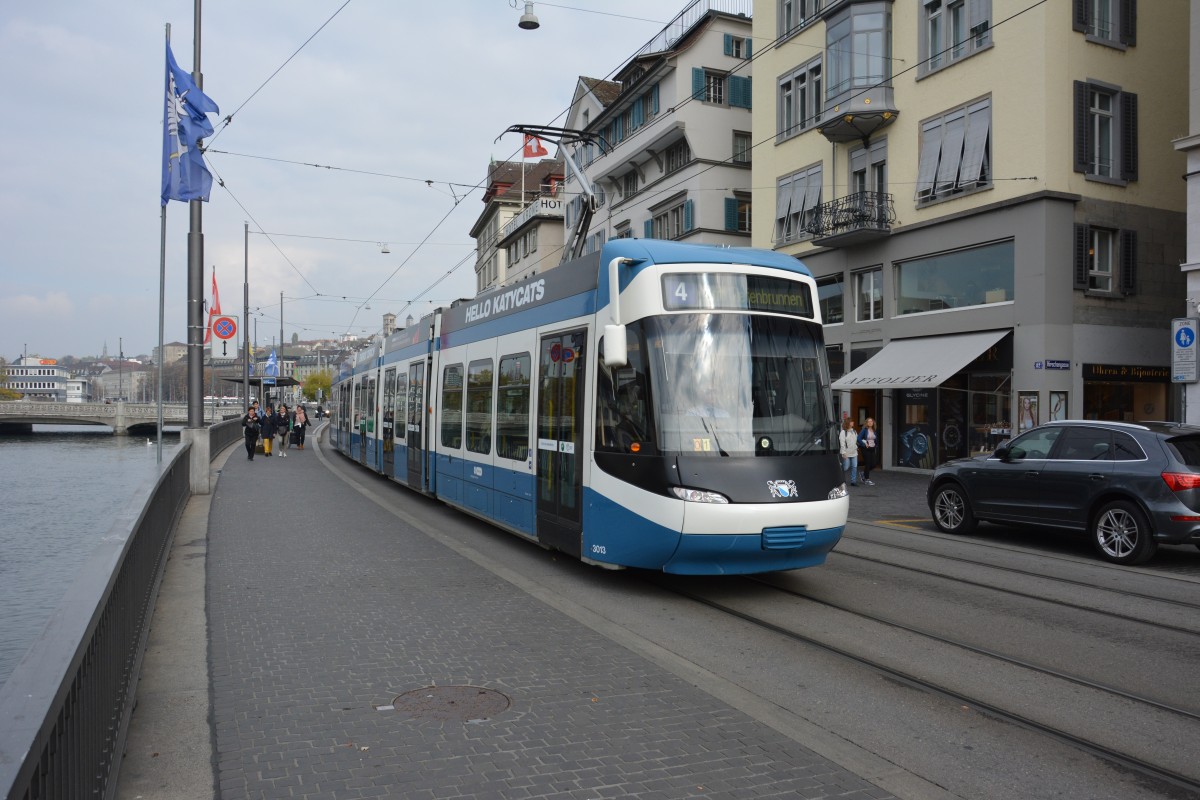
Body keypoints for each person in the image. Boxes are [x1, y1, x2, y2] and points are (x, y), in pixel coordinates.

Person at [857, 417, 878, 486]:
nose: (870, 423)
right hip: (866, 449)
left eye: (871, 421)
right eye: (868, 421)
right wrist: (864, 444)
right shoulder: (864, 430)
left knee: (874, 464)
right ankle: (867, 480)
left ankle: (863, 473)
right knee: (868, 463)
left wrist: (876, 446)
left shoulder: (874, 430)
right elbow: (858, 438)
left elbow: (875, 439)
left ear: (873, 422)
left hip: (872, 448)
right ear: (866, 423)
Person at [839, 418, 859, 487]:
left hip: (854, 453)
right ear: (848, 423)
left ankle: (853, 481)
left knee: (854, 467)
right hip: (846, 453)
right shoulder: (843, 432)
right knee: (846, 467)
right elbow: (842, 443)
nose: (853, 422)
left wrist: (856, 447)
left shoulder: (854, 431)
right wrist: (843, 453)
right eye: (851, 421)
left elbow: (856, 440)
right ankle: (840, 479)